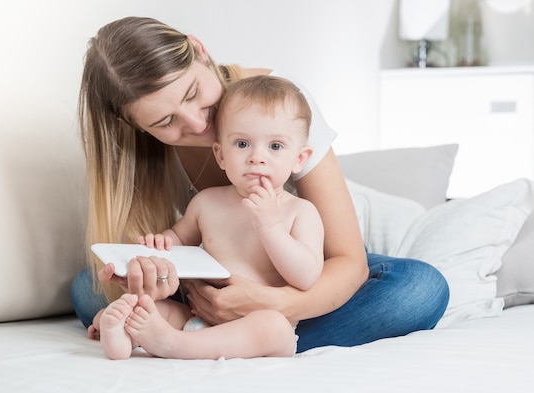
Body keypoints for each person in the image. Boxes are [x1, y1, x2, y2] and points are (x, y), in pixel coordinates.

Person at [73, 16, 450, 354]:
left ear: (200, 51)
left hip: (301, 267)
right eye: (165, 121)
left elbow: (347, 261)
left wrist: (274, 304)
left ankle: (213, 340)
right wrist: (150, 278)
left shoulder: (278, 101)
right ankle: (221, 336)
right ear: (141, 127)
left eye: (192, 93)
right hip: (215, 276)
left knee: (420, 288)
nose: (195, 122)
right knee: (87, 285)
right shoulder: (146, 151)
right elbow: (177, 248)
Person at [96, 75, 324, 360]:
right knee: (151, 306)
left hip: (258, 326)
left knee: (274, 326)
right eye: (242, 144)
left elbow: (307, 277)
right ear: (220, 155)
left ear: (300, 159)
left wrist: (270, 226)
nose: (257, 157)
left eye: (275, 147)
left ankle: (175, 345)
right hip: (199, 316)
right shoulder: (206, 202)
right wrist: (157, 244)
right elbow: (177, 241)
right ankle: (121, 338)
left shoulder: (300, 212)